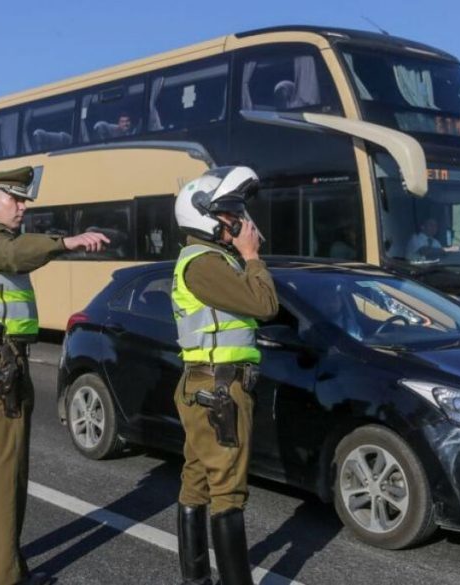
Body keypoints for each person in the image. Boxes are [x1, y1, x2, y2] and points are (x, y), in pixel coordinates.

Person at [0, 166, 109, 585]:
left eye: (24, 201)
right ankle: (5, 576)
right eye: (15, 200)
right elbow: (14, 255)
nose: (22, 208)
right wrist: (66, 242)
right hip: (0, 364)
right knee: (8, 468)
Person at [171, 166, 279, 585]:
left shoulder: (210, 260)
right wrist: (252, 258)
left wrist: (245, 258)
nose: (242, 221)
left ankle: (196, 579)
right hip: (219, 390)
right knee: (227, 493)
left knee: (196, 480)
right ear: (205, 217)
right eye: (232, 212)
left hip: (206, 386)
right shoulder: (205, 264)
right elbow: (265, 304)